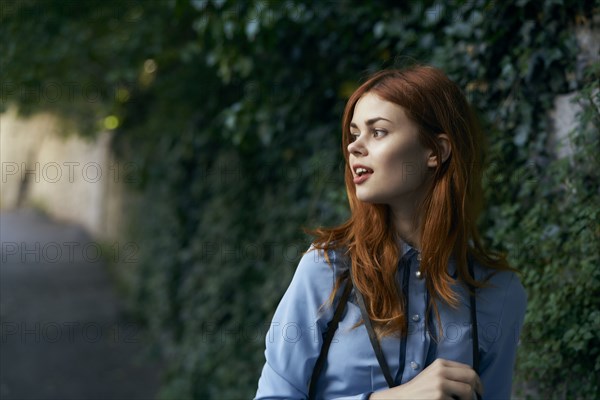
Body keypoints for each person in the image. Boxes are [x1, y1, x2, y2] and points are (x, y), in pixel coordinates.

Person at [254, 65, 527, 400]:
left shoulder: (499, 294)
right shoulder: (327, 269)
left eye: (378, 132)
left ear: (436, 151)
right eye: (354, 134)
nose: (354, 147)